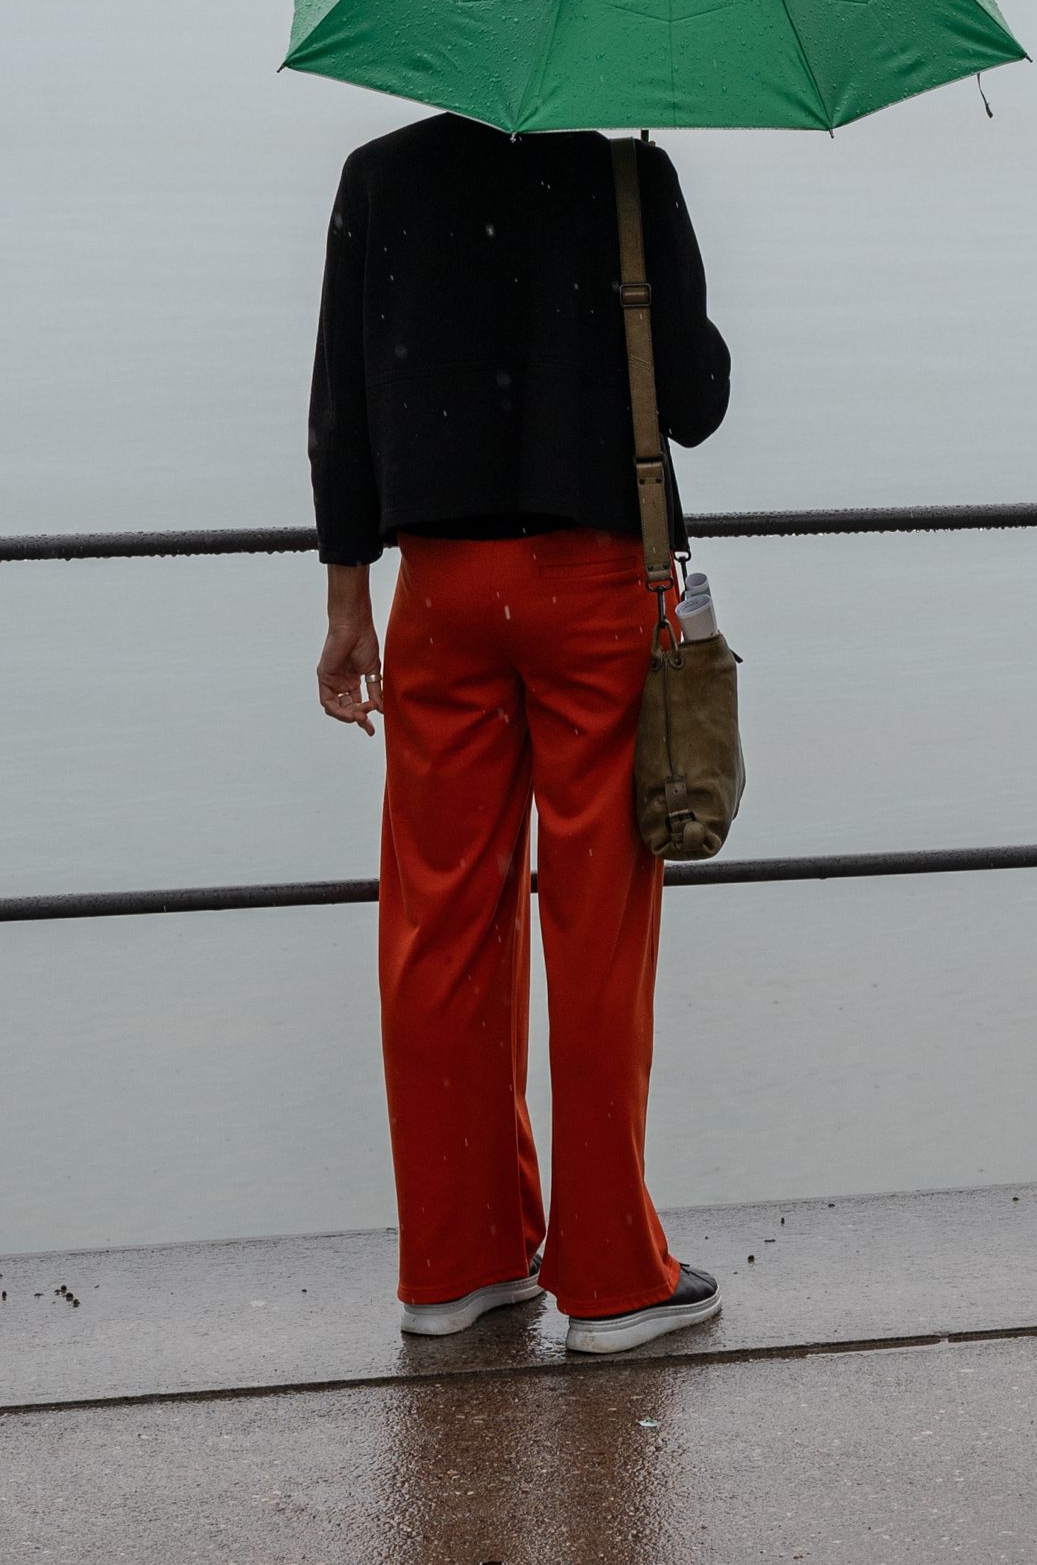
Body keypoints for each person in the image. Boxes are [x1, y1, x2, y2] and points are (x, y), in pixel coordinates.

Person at [309, 114, 732, 1353]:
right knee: (595, 924)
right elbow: (695, 403)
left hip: (438, 589)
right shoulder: (624, 175)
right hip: (595, 584)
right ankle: (610, 1276)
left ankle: (456, 1261)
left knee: (438, 918)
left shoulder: (377, 178)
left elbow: (342, 413)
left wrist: (348, 606)